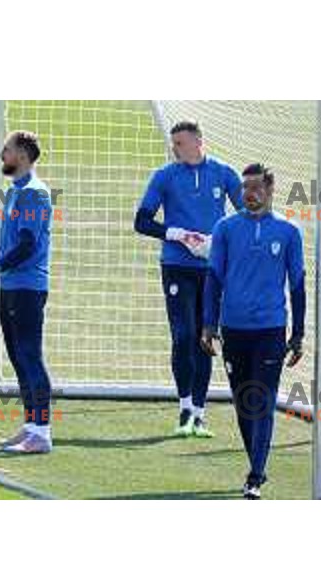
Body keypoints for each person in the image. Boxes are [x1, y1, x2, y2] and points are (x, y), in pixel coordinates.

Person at [201, 163, 306, 499]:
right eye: (246, 187)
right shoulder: (226, 228)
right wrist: (208, 324)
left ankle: (256, 475)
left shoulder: (289, 232)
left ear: (271, 190)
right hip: (234, 328)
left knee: (262, 400)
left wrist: (299, 333)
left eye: (257, 187)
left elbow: (298, 284)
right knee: (244, 403)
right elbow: (213, 278)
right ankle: (256, 464)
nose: (250, 193)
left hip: (271, 329)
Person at [134, 121, 242, 437]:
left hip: (212, 269)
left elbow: (244, 214)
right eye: (173, 144)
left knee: (205, 338)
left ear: (198, 141)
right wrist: (177, 234)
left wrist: (217, 242)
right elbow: (141, 221)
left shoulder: (224, 173)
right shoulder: (165, 176)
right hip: (176, 266)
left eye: (180, 143)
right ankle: (184, 409)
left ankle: (199, 412)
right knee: (182, 335)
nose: (175, 149)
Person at [0, 130, 54, 454]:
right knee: (18, 357)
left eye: (6, 150)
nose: (1, 156)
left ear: (22, 154)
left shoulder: (34, 193)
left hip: (27, 287)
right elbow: (8, 242)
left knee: (30, 356)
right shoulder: (15, 192)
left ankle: (43, 433)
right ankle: (31, 425)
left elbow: (27, 244)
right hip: (11, 285)